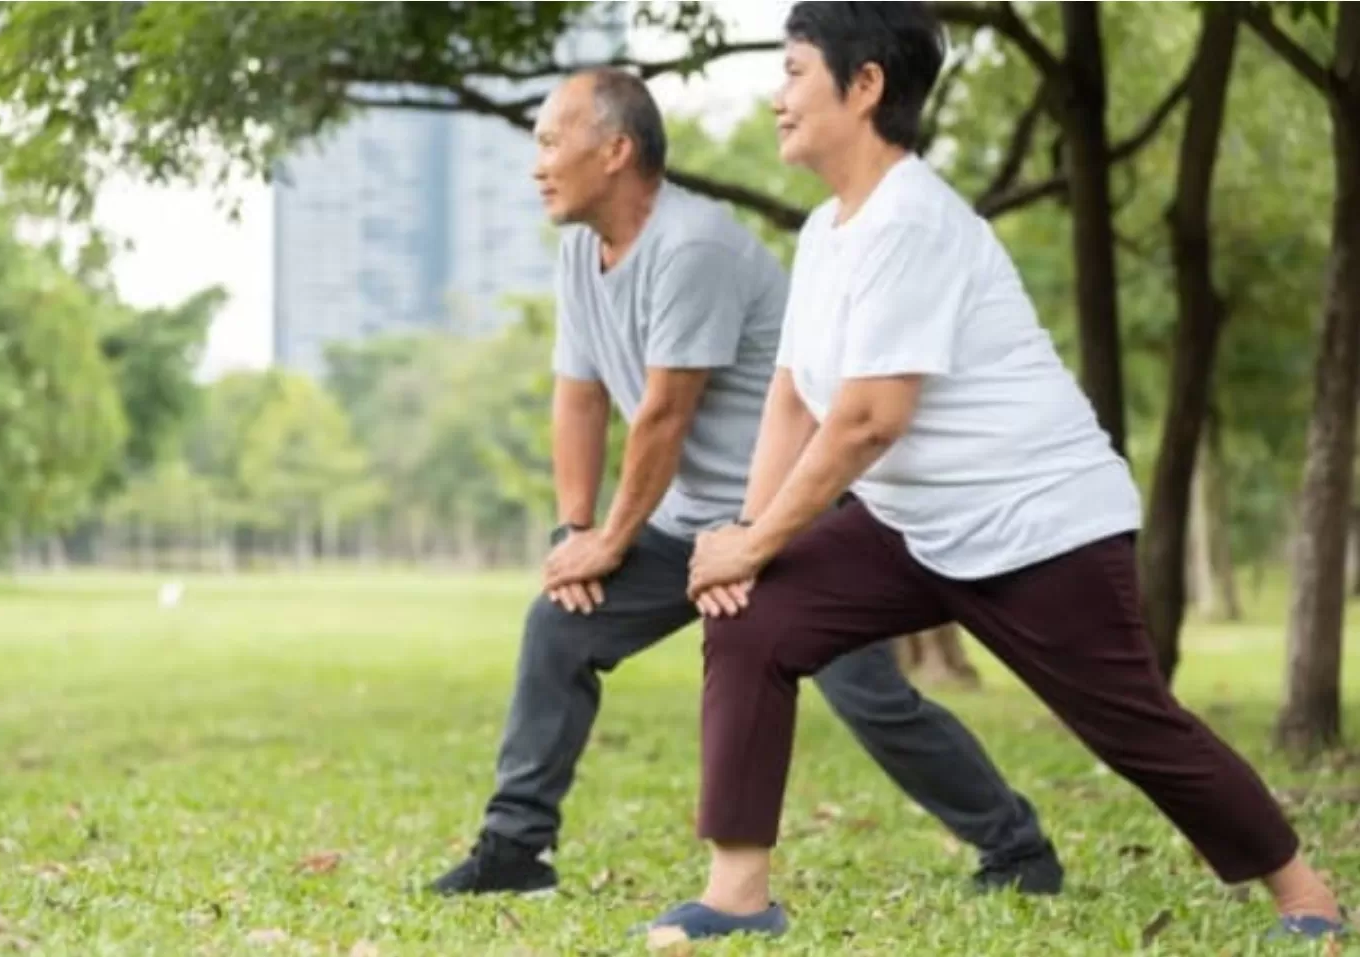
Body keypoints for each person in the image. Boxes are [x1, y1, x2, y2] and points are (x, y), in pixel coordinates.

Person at [640, 2, 1350, 945]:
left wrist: (756, 540)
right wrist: (745, 544)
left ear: (865, 86)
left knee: (1132, 724)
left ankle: (1307, 894)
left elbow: (867, 420)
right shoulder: (825, 235)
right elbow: (795, 403)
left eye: (795, 70)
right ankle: (737, 896)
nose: (778, 97)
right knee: (752, 619)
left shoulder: (914, 222)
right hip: (911, 526)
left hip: (1038, 524)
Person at [428, 65, 1065, 899]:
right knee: (559, 627)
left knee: (868, 694)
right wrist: (573, 532)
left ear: (616, 150)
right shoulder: (583, 251)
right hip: (687, 522)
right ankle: (515, 851)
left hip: (791, 518)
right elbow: (579, 396)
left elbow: (663, 415)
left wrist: (612, 541)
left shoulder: (692, 246)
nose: (537, 163)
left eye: (551, 141)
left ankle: (1018, 850)